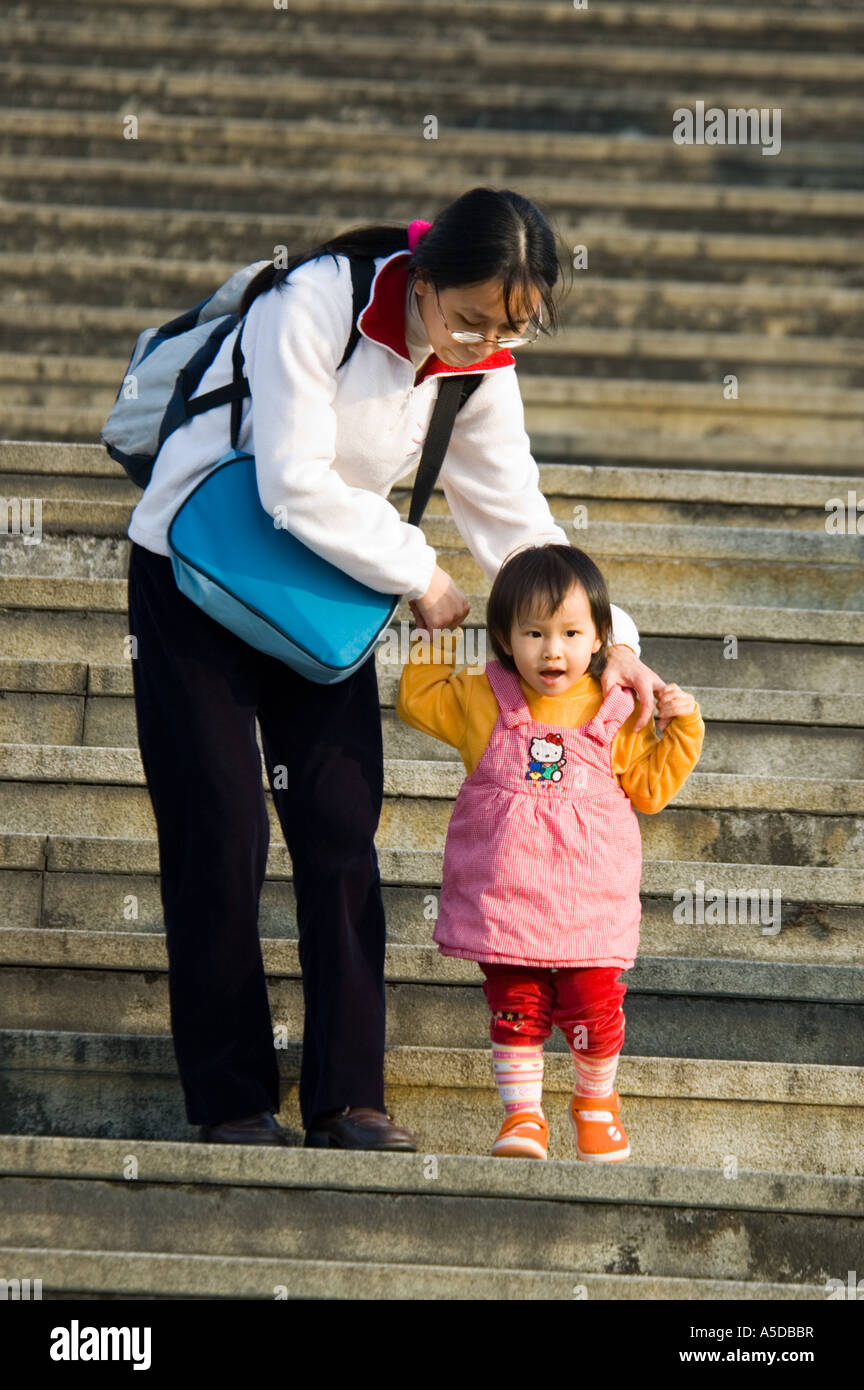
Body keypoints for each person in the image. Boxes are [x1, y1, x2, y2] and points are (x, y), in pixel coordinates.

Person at [125, 186, 667, 1151]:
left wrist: (617, 642)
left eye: (506, 329)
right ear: (420, 281)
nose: (475, 346)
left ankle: (349, 1100)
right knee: (220, 831)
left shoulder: (481, 368)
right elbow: (291, 477)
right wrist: (421, 573)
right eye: (464, 320)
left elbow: (519, 530)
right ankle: (232, 1100)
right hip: (194, 573)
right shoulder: (317, 300)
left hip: (322, 599)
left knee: (339, 829)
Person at [396, 543, 704, 1161]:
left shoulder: (617, 711)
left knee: (594, 1005)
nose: (552, 650)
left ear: (602, 642)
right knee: (515, 1008)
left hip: (589, 908)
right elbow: (417, 699)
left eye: (570, 632)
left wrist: (685, 726)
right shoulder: (483, 699)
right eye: (533, 632)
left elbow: (648, 789)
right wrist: (435, 635)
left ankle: (595, 1099)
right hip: (506, 904)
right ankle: (523, 1117)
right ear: (507, 639)